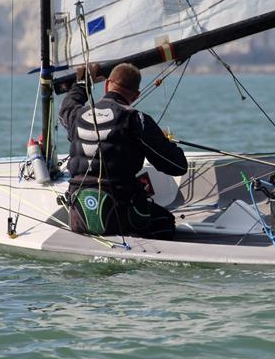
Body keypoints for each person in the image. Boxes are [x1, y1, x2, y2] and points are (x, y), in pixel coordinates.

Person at [58, 62, 188, 239]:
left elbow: (67, 106)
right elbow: (177, 166)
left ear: (106, 84)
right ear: (136, 96)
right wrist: (163, 141)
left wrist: (82, 84)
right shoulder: (136, 119)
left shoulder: (78, 115)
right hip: (120, 218)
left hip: (79, 217)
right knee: (166, 221)